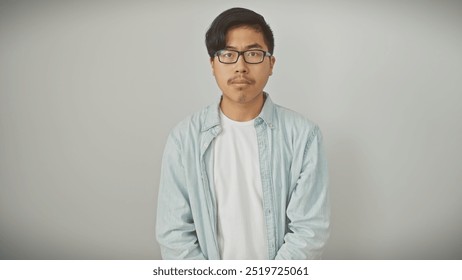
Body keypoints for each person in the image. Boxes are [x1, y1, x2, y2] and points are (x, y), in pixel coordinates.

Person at [156, 7, 330, 260]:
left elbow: (309, 231)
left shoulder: (304, 136)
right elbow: (173, 233)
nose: (241, 66)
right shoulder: (184, 139)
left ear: (271, 64)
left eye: (253, 54)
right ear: (212, 64)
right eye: (227, 54)